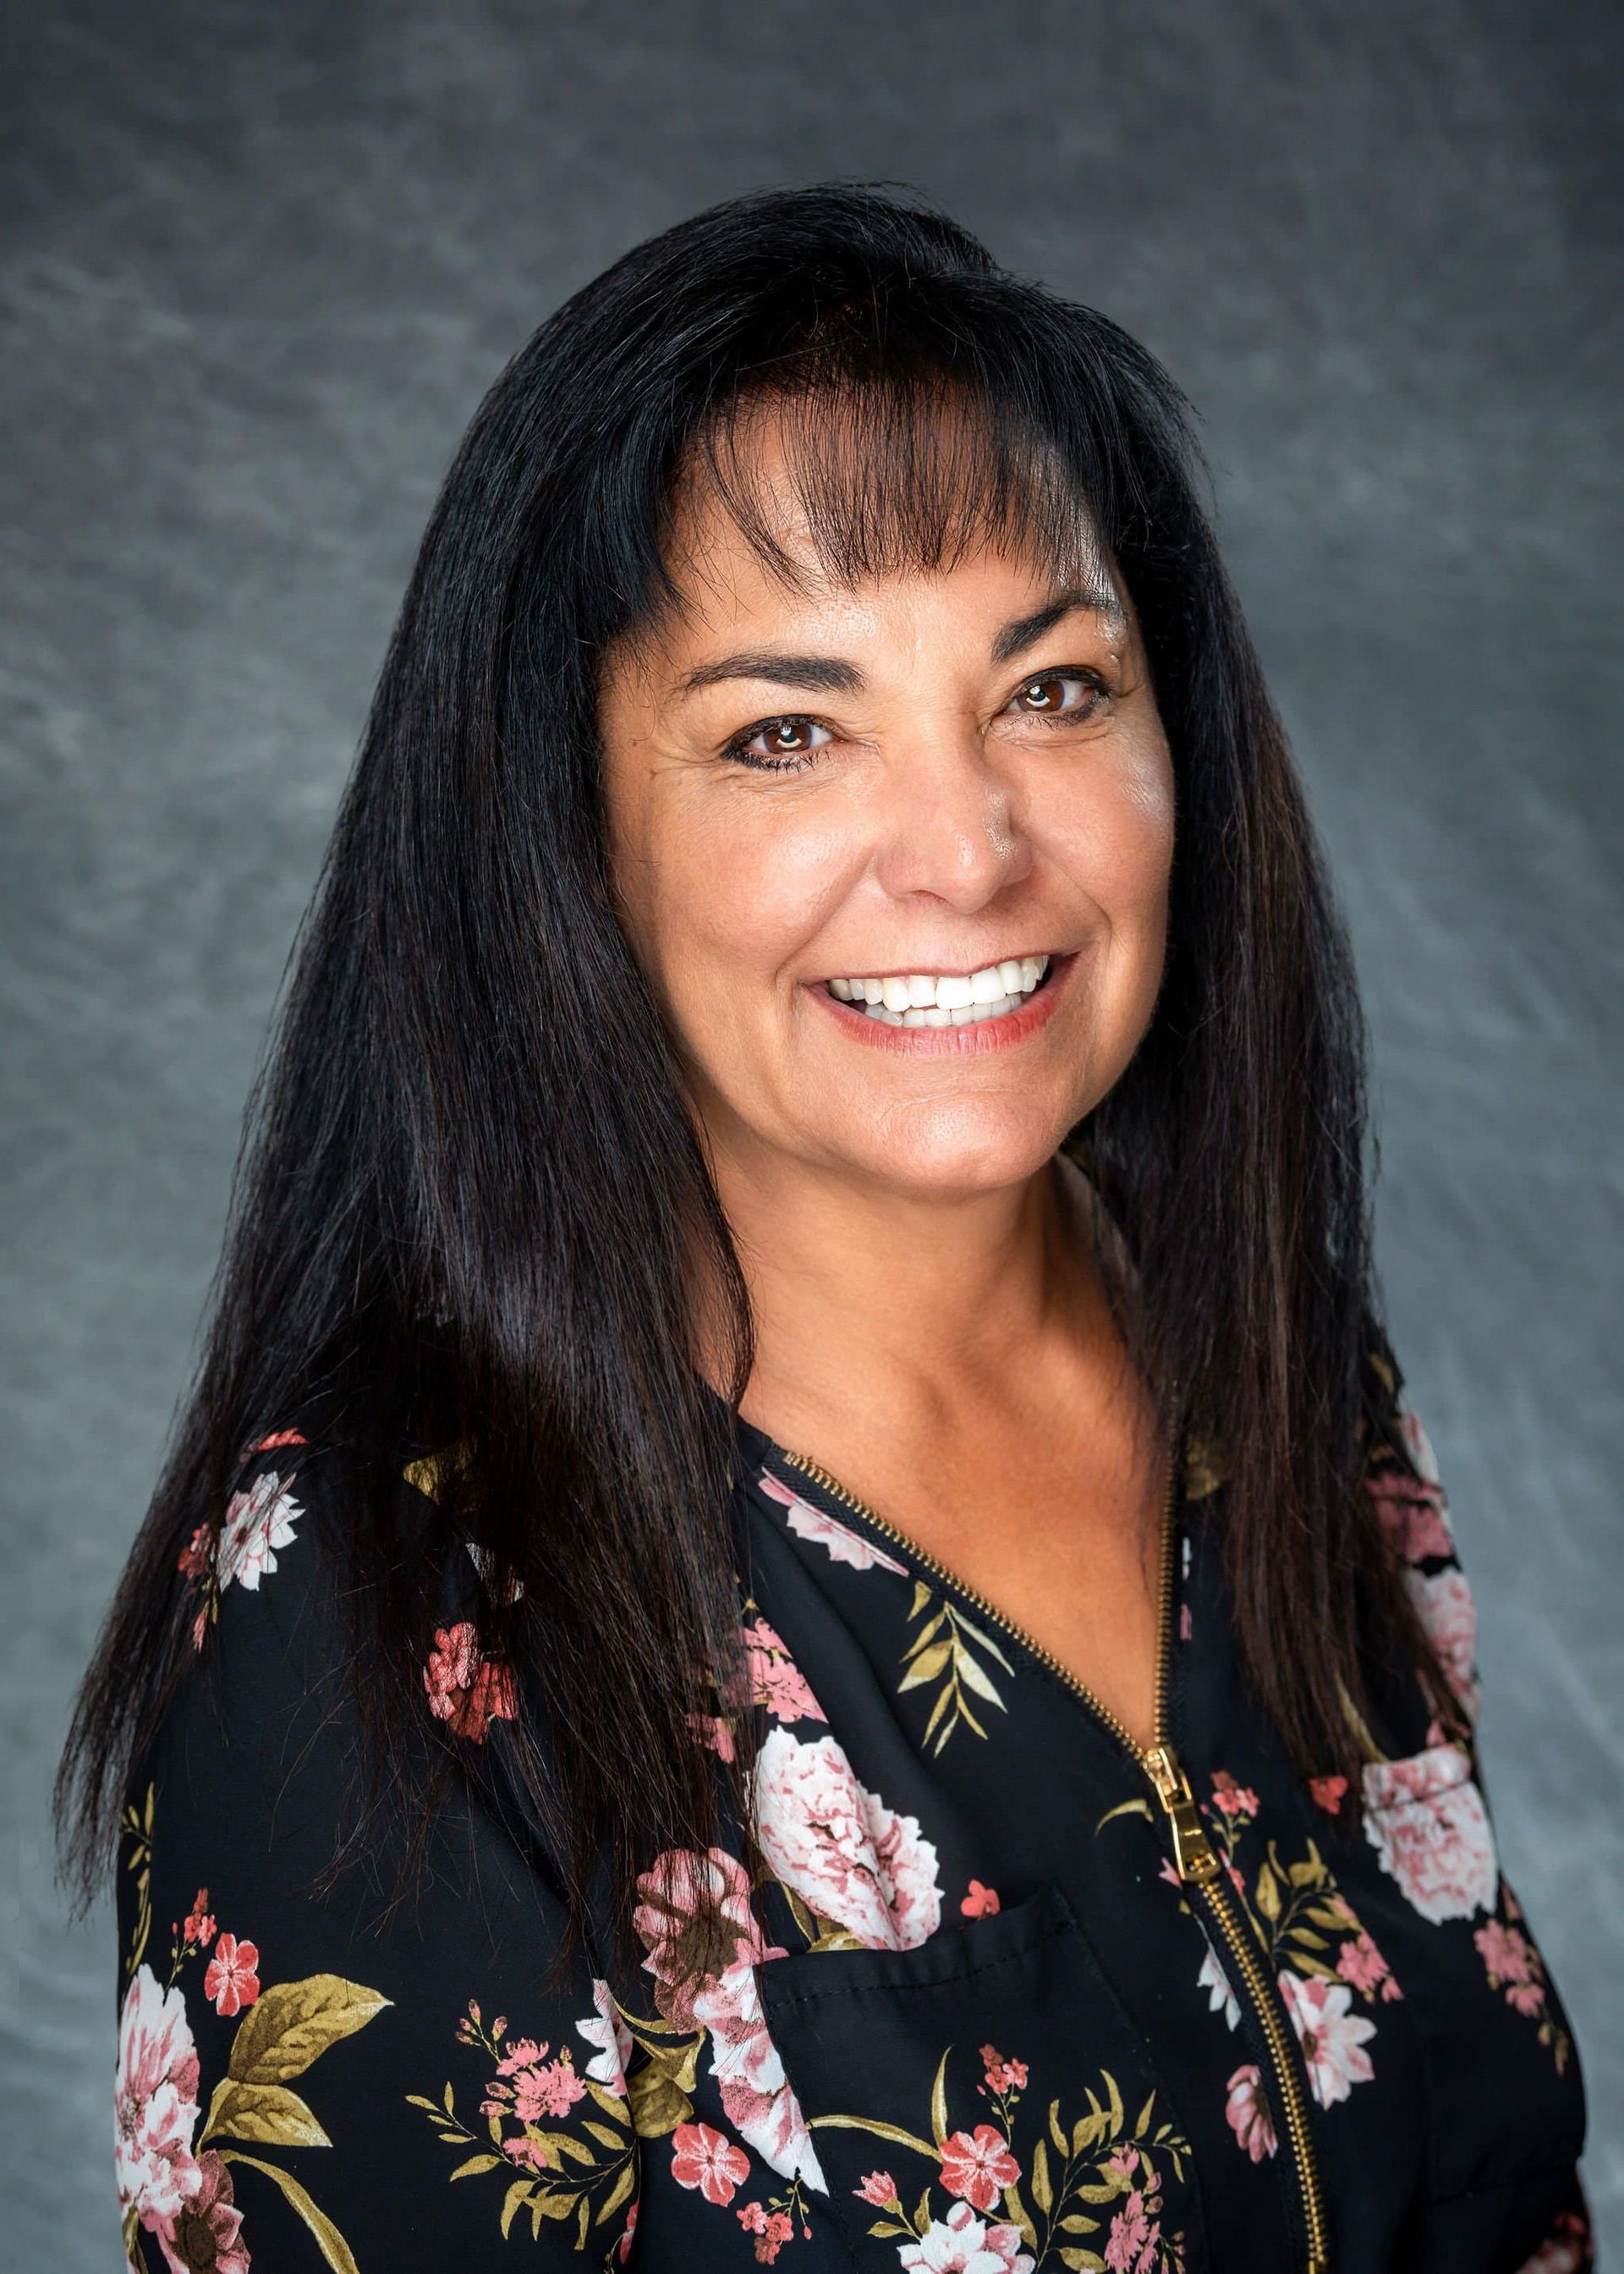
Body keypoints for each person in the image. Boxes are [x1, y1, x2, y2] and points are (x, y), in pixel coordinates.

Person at [63, 183, 1590, 2274]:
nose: (966, 851)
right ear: (568, 839)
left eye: (1053, 691)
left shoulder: (1273, 1354)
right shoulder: (375, 1616)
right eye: (788, 733)